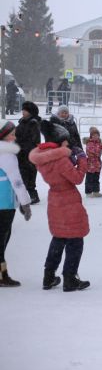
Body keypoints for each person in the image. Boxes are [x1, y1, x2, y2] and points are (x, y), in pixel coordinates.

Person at [31, 120, 90, 291]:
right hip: (68, 201)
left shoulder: (45, 158)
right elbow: (77, 178)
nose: (68, 142)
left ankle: (48, 276)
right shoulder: (60, 159)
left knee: (59, 238)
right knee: (75, 240)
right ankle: (70, 278)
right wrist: (82, 160)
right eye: (65, 140)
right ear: (58, 141)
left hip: (55, 200)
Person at [0, 121, 32, 287]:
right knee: (2, 241)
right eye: (11, 134)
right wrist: (25, 202)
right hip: (4, 203)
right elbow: (16, 181)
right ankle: (2, 276)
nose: (14, 137)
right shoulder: (6, 154)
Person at [15, 102, 41, 204]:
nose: (23, 112)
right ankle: (22, 196)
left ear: (30, 112)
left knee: (29, 175)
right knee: (22, 175)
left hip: (29, 154)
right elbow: (16, 135)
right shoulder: (22, 122)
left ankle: (33, 196)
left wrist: (24, 148)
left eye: (25, 110)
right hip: (20, 153)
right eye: (23, 110)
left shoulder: (33, 123)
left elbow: (35, 140)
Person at [83, 127, 102, 198]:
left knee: (96, 179)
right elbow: (91, 151)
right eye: (94, 135)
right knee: (89, 179)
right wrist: (100, 152)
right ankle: (88, 192)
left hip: (97, 164)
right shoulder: (89, 143)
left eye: (97, 135)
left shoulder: (99, 143)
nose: (95, 136)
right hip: (90, 164)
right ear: (91, 136)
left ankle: (96, 192)